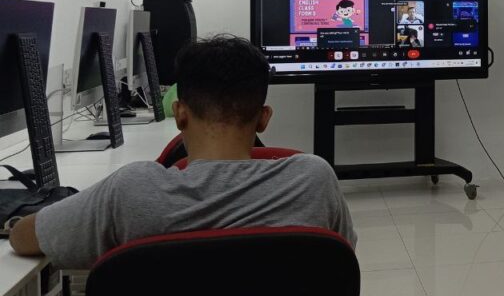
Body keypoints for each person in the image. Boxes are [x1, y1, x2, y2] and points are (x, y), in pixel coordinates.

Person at [10, 35, 356, 270]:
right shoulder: (314, 180)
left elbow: (23, 238)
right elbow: (342, 264)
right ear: (264, 118)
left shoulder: (130, 191)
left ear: (179, 114)